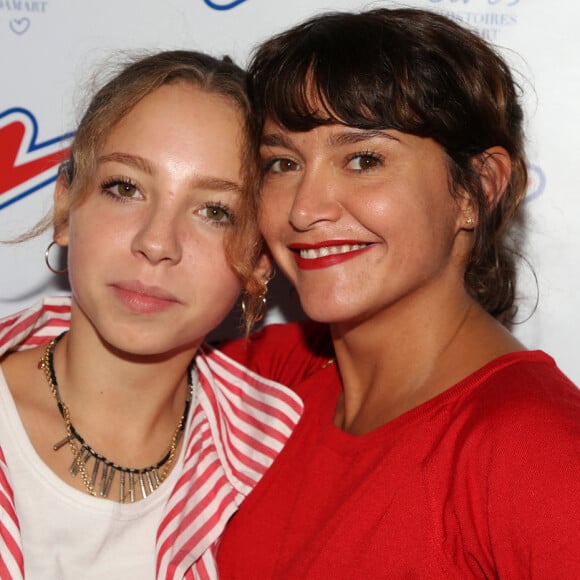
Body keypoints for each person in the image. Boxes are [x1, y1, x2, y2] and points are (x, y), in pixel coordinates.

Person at [214, 8, 580, 578]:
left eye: (363, 160)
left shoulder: (536, 451)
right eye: (283, 163)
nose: (305, 209)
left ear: (476, 190)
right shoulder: (267, 381)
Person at [0, 50, 306, 580]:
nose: (157, 243)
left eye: (214, 211)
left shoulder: (281, 468)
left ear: (259, 261)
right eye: (125, 187)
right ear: (65, 207)